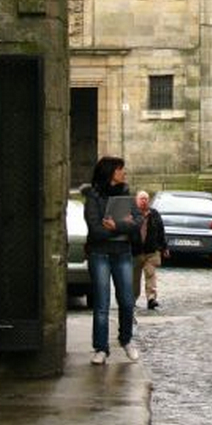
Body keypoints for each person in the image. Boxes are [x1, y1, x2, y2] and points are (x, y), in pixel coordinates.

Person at [84, 155, 141, 364]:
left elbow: (136, 222)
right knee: (101, 303)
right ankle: (101, 348)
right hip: (100, 253)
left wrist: (116, 226)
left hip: (122, 252)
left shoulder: (126, 194)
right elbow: (95, 229)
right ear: (110, 173)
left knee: (127, 301)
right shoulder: (93, 196)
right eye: (120, 169)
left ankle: (126, 339)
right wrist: (118, 228)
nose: (124, 172)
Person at [132, 190, 168, 310]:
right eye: (141, 198)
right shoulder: (131, 214)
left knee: (150, 274)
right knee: (134, 277)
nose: (144, 201)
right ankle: (132, 299)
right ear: (136, 200)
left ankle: (151, 298)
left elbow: (161, 231)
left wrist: (164, 247)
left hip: (151, 251)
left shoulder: (154, 214)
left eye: (146, 199)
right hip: (135, 251)